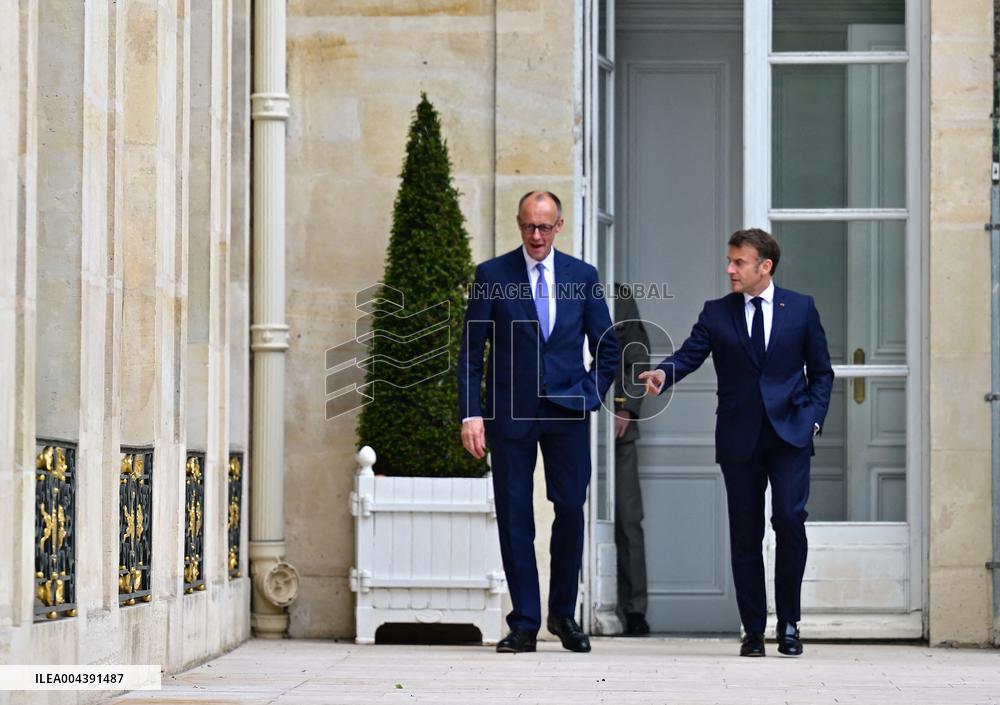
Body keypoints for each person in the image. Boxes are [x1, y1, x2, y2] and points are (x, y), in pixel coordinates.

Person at [639, 228, 833, 658]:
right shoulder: (717, 312)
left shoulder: (800, 309)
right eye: (730, 261)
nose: (729, 269)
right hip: (739, 438)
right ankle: (753, 630)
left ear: (765, 267)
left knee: (789, 521)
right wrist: (663, 374)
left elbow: (822, 372)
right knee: (745, 535)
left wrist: (813, 422)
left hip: (789, 436)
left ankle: (789, 625)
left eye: (739, 262)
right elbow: (690, 354)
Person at [458, 191, 620, 654]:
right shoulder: (492, 276)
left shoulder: (581, 277)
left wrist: (591, 392)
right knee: (515, 516)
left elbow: (608, 346)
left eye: (544, 227)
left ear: (559, 226)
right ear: (518, 224)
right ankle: (525, 622)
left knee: (570, 508)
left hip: (568, 412)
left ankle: (563, 615)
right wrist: (471, 413)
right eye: (529, 226)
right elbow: (472, 354)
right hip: (510, 415)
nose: (536, 235)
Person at [611, 284, 651, 636]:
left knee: (628, 520)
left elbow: (638, 355)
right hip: (567, 425)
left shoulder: (619, 294)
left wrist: (626, 408)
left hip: (619, 432)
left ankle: (634, 610)